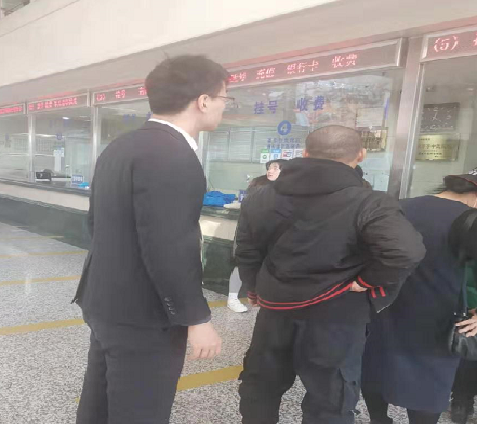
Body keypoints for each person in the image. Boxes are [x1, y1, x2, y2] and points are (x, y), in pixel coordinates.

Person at [73, 55, 231, 424]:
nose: (224, 107)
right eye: (225, 98)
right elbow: (170, 246)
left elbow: (96, 224)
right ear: (203, 100)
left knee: (100, 405)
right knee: (140, 411)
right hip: (145, 314)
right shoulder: (173, 155)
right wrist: (196, 318)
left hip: (106, 301)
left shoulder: (121, 146)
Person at [235, 125, 425, 424]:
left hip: (275, 309)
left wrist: (254, 288)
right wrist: (367, 281)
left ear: (305, 153)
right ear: (361, 155)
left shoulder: (259, 197)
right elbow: (405, 251)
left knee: (261, 385)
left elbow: (246, 250)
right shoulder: (370, 202)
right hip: (337, 313)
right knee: (331, 398)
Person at [361, 167, 477, 424]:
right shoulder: (469, 219)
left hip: (383, 305)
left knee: (375, 368)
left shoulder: (396, 206)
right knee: (428, 383)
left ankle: (379, 419)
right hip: (438, 313)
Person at [227, 160, 286, 313]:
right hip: (250, 237)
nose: (270, 171)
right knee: (241, 264)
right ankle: (233, 298)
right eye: (269, 167)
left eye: (275, 168)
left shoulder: (286, 192)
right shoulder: (260, 184)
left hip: (269, 243)